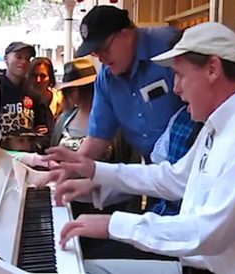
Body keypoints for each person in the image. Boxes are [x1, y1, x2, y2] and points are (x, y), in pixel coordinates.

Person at [39, 22, 235, 274]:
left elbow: (209, 232)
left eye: (180, 75)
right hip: (200, 262)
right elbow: (173, 178)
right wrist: (95, 170)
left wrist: (113, 224)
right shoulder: (219, 124)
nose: (176, 89)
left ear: (213, 69)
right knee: (84, 258)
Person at [74, 5, 184, 161]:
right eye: (95, 53)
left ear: (127, 35)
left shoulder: (170, 47)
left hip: (195, 161)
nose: (101, 58)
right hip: (154, 170)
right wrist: (68, 168)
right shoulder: (106, 80)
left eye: (104, 49)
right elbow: (96, 139)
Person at [0, 42, 54, 152]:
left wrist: (34, 145)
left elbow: (46, 131)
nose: (23, 62)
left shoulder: (33, 91)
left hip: (27, 156)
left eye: (27, 58)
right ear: (6, 59)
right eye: (19, 57)